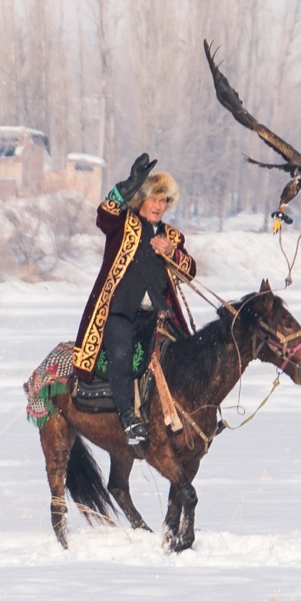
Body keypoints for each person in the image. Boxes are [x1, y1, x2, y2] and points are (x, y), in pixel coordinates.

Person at [70, 153, 196, 453]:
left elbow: (190, 271)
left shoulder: (172, 236)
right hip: (119, 312)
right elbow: (104, 212)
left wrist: (172, 253)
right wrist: (128, 184)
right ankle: (128, 419)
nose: (158, 206)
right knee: (121, 355)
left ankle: (194, 414)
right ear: (141, 199)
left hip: (158, 317)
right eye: (153, 199)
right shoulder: (122, 224)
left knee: (189, 357)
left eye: (163, 200)